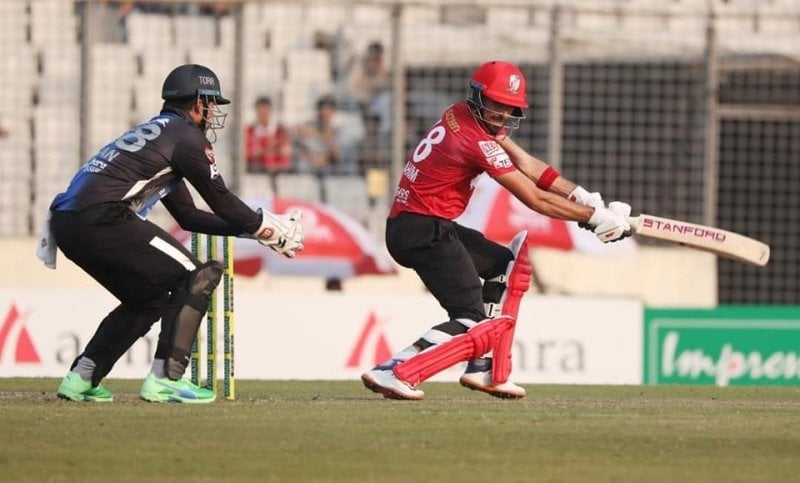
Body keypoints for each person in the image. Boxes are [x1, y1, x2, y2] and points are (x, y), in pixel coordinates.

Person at [360, 60, 633, 400]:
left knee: (503, 264)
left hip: (423, 224)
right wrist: (591, 218)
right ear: (478, 97)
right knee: (470, 320)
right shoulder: (475, 142)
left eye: (511, 107)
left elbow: (527, 163)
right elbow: (533, 198)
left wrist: (582, 196)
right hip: (422, 231)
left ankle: (482, 368)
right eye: (497, 104)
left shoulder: (461, 113)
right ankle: (393, 370)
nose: (503, 113)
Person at [38, 64, 304, 404]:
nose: (213, 113)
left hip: (68, 222)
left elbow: (189, 216)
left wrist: (253, 232)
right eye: (211, 104)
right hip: (104, 217)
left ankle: (83, 377)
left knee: (147, 300)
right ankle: (166, 378)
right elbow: (221, 200)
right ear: (197, 103)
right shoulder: (188, 138)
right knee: (198, 275)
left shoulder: (160, 134)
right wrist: (265, 225)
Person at [244, 96, 292, 175]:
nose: (263, 114)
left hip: (278, 172)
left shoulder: (280, 132)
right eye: (260, 111)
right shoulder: (249, 132)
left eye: (265, 111)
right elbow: (248, 155)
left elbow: (285, 157)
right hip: (256, 172)